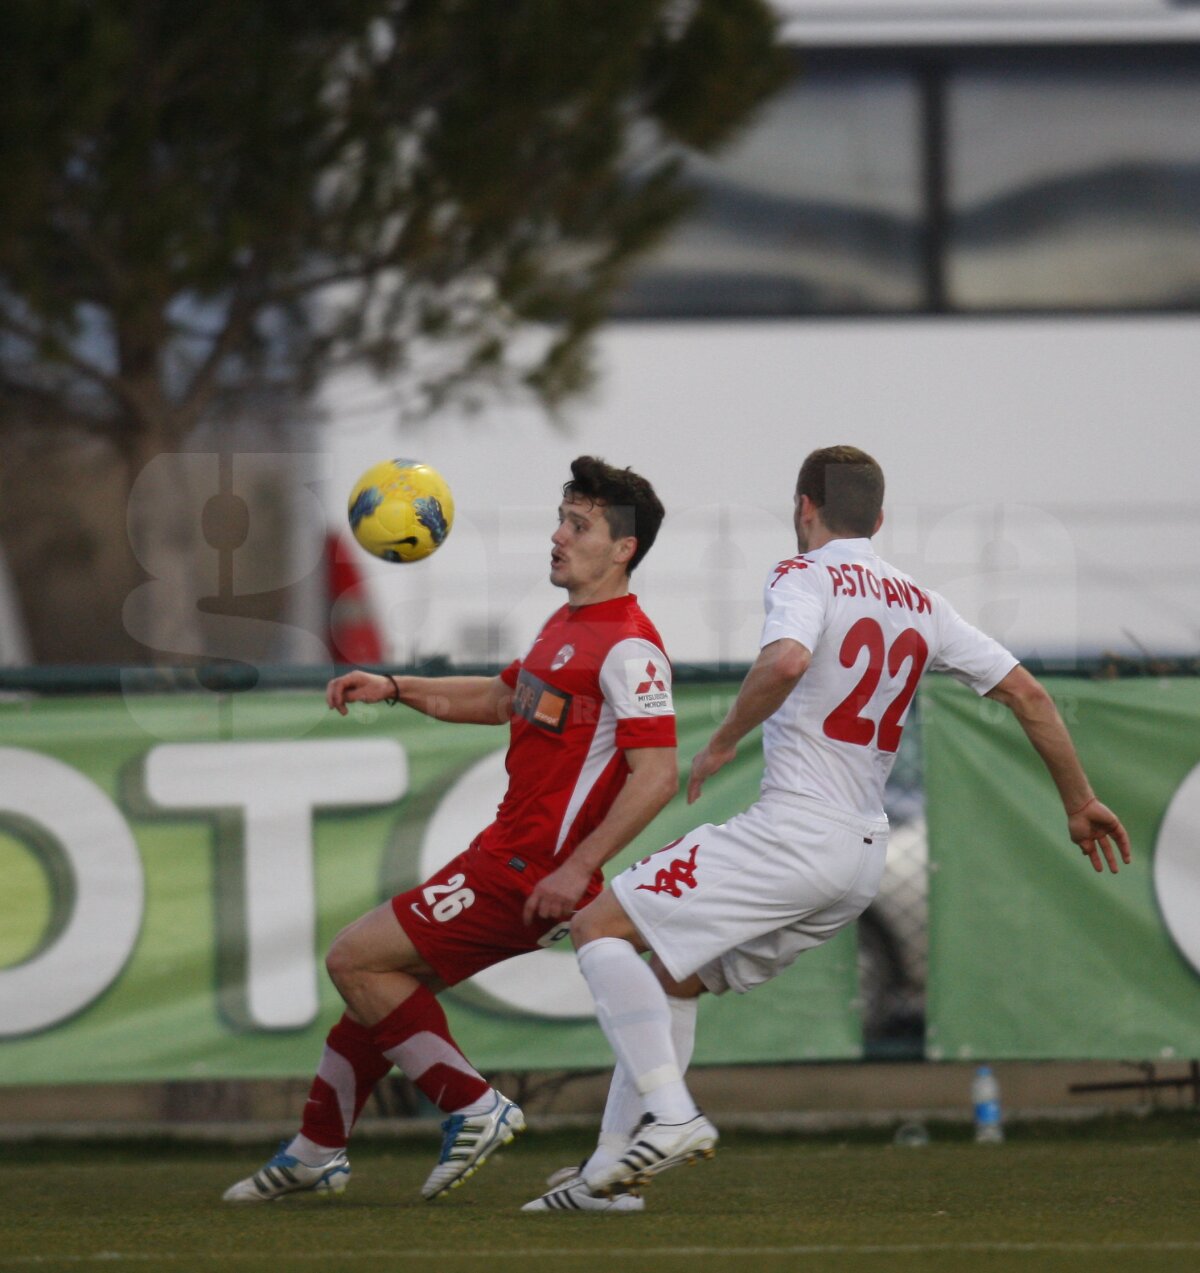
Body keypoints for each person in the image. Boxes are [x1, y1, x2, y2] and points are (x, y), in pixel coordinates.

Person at [524, 444, 1131, 1211]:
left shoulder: (800, 574)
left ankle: (674, 1117)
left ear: (802, 508)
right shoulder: (921, 601)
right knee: (672, 975)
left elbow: (783, 663)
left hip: (795, 834)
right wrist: (1078, 801)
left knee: (596, 926)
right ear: (876, 519)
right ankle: (610, 1171)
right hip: (859, 859)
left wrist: (722, 738)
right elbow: (1032, 697)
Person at [223, 456, 678, 1205]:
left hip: (532, 869)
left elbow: (655, 774)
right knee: (382, 994)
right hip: (509, 854)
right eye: (562, 518)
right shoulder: (564, 626)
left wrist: (574, 870)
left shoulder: (629, 645)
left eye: (579, 524)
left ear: (623, 548)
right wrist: (397, 686)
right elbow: (501, 697)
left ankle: (473, 1103)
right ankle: (316, 1148)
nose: (558, 536)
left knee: (355, 960)